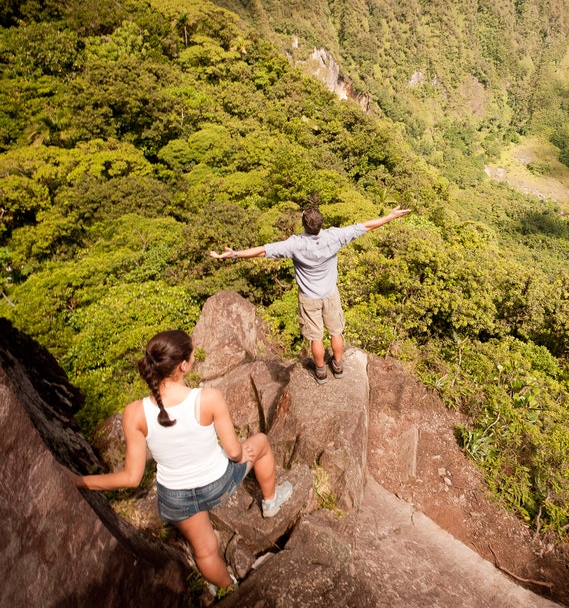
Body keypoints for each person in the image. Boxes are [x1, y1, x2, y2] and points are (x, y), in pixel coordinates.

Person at [71, 330, 292, 594]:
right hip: (216, 484)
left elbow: (131, 478)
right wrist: (243, 456)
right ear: (183, 366)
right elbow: (234, 452)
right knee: (261, 443)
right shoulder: (208, 398)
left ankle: (227, 589)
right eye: (192, 355)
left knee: (205, 551)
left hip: (176, 500)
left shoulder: (134, 413)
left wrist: (80, 481)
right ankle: (270, 502)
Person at [210, 205, 412, 383]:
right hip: (330, 294)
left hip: (309, 297)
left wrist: (234, 254)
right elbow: (366, 226)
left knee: (316, 338)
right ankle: (339, 366)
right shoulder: (335, 236)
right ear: (321, 223)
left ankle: (321, 372)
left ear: (304, 225)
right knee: (336, 332)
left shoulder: (295, 244)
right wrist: (390, 216)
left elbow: (263, 251)